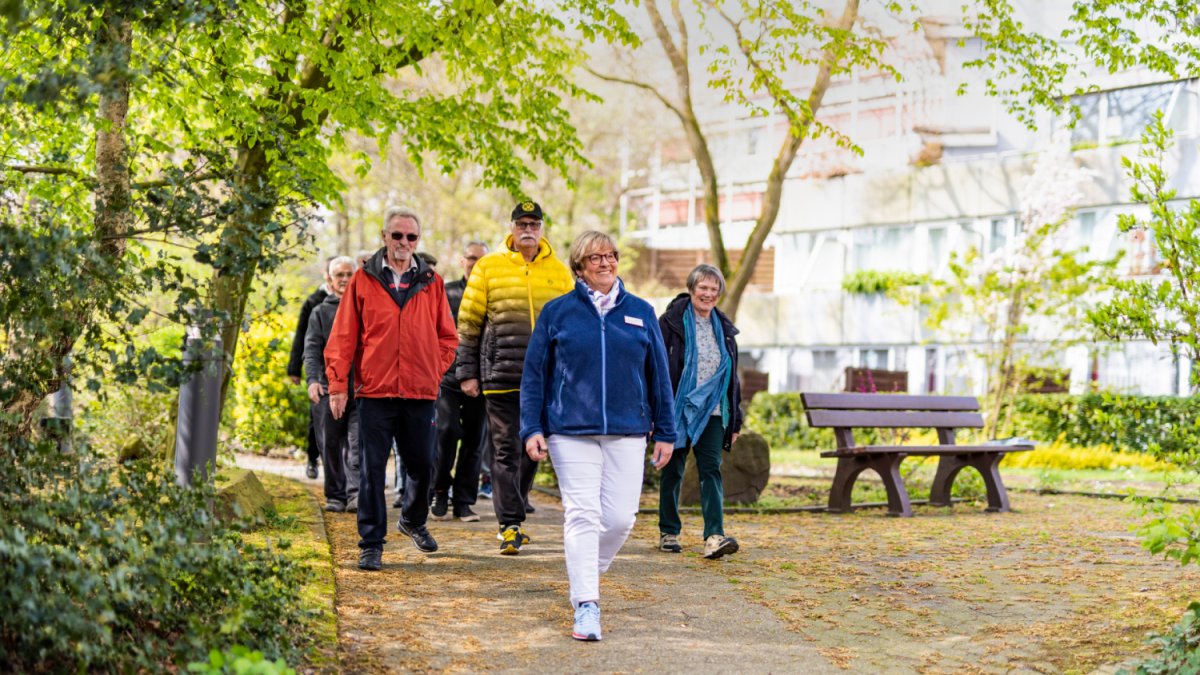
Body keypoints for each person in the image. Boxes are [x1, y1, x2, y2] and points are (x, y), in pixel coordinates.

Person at [520, 230, 676, 641]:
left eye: (611, 256)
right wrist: (532, 427)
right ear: (579, 267)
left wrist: (666, 431)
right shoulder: (558, 313)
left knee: (622, 518)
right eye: (595, 258)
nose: (605, 263)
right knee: (582, 514)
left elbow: (659, 375)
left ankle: (585, 568)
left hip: (629, 429)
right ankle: (587, 603)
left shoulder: (641, 311)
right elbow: (534, 375)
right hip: (570, 431)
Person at [325, 206, 458, 571]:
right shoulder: (363, 281)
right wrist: (338, 385)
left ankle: (413, 520)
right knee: (370, 470)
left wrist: (432, 370)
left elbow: (448, 336)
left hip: (420, 393)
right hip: (375, 392)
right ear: (384, 237)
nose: (403, 243)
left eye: (411, 237)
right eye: (397, 235)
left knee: (422, 466)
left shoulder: (431, 282)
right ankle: (371, 543)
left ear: (417, 241)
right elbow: (342, 336)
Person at [456, 201, 573, 554]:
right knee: (505, 450)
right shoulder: (489, 267)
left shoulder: (559, 271)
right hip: (501, 376)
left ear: (542, 228)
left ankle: (514, 512)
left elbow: (570, 327)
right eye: (521, 223)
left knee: (531, 452)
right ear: (511, 227)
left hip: (544, 382)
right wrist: (468, 373)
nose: (527, 229)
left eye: (534, 223)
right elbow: (469, 323)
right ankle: (510, 525)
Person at [656, 263, 744, 560]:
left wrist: (736, 420)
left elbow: (733, 377)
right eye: (703, 288)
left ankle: (714, 536)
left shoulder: (726, 330)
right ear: (691, 289)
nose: (708, 294)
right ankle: (669, 531)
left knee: (711, 470)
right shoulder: (670, 323)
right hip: (677, 409)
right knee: (673, 470)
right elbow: (655, 369)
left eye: (714, 289)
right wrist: (656, 411)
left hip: (715, 411)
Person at [431, 241, 489, 522]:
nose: (475, 263)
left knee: (475, 440)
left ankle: (464, 501)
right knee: (446, 431)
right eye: (471, 258)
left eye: (481, 259)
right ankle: (440, 487)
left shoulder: (493, 294)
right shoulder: (447, 291)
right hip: (448, 377)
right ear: (462, 260)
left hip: (483, 378)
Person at [304, 256, 361, 512]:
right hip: (328, 390)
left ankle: (356, 494)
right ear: (329, 279)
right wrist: (313, 380)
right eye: (339, 275)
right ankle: (336, 495)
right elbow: (311, 349)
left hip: (360, 390)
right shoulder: (320, 312)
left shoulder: (366, 308)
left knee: (358, 444)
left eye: (349, 274)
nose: (345, 279)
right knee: (330, 443)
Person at [287, 259, 333, 479]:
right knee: (316, 418)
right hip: (318, 368)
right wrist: (295, 368)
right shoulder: (314, 301)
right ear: (327, 275)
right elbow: (302, 336)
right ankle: (312, 458)